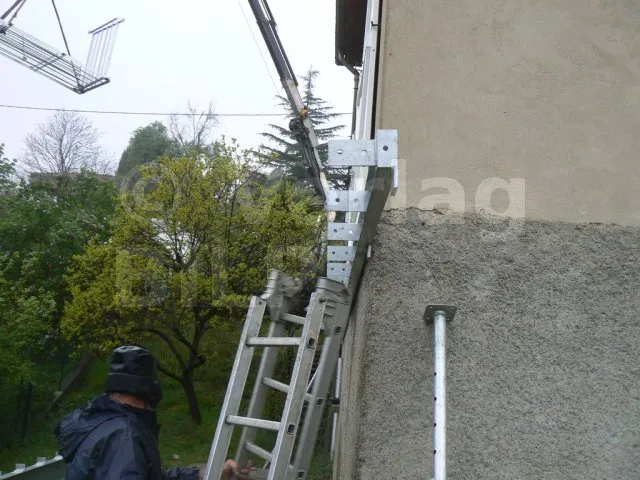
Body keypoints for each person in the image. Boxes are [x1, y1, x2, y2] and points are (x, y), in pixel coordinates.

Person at [54, 345, 251, 480]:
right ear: (149, 391)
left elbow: (147, 475)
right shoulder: (124, 437)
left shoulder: (103, 421)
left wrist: (203, 474)